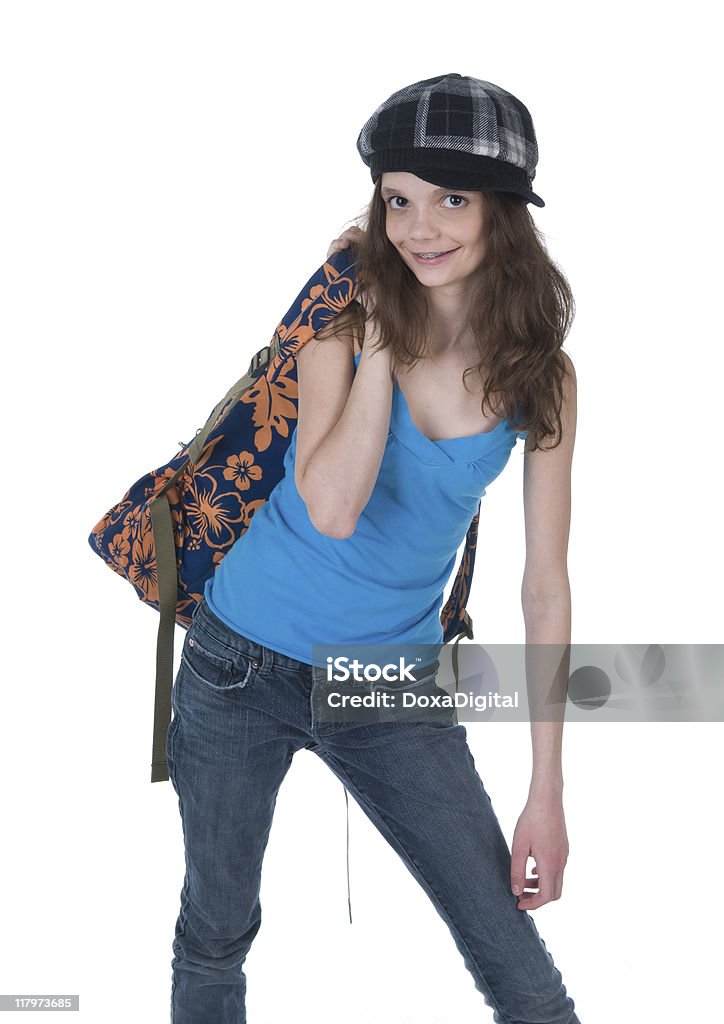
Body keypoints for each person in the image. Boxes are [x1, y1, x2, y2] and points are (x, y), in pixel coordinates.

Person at [166, 73, 580, 1023]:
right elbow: (336, 507)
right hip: (240, 660)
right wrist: (386, 343)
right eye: (399, 199)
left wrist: (545, 793)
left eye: (451, 199)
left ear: (504, 212)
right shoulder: (341, 328)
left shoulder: (542, 377)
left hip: (388, 684)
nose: (421, 227)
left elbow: (546, 589)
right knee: (215, 936)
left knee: (516, 969)